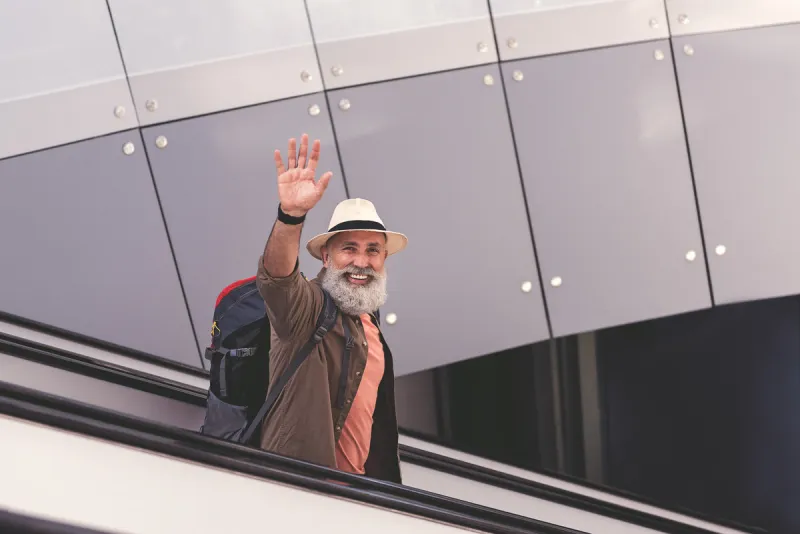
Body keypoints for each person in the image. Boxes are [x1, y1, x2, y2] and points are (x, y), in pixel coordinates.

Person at [255, 133, 407, 484]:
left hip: (355, 498)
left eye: (373, 251)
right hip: (300, 492)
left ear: (384, 259)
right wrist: (291, 216)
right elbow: (276, 279)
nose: (361, 261)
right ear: (326, 256)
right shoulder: (307, 309)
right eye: (349, 248)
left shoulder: (370, 323)